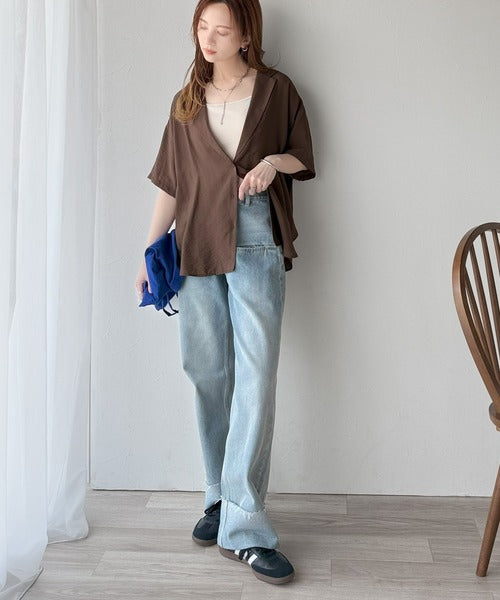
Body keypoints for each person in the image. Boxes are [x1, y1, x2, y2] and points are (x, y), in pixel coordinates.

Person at [136, 0, 315, 586]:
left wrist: (271, 163)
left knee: (256, 378)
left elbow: (303, 155)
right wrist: (149, 250)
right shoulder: (186, 101)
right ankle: (218, 495)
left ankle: (246, 526)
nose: (208, 39)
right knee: (207, 371)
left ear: (246, 36)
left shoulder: (276, 90)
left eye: (222, 30)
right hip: (195, 244)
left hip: (255, 236)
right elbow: (171, 182)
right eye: (202, 28)